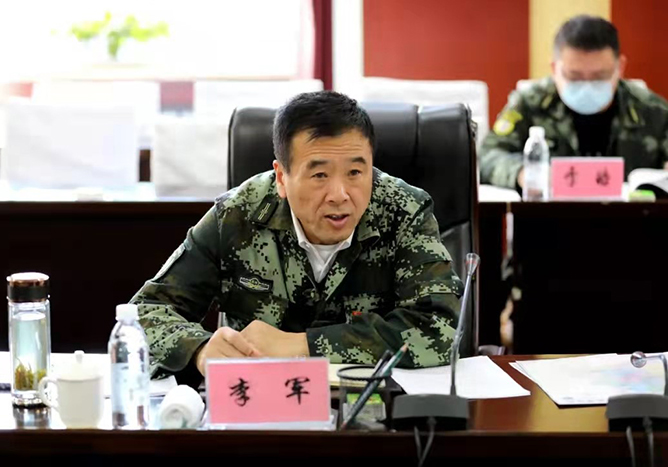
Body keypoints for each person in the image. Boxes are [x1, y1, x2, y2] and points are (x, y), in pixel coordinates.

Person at [131, 91, 463, 383]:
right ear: (281, 177)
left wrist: (301, 345)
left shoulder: (405, 211)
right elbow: (143, 314)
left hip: (375, 411)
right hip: (259, 408)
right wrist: (200, 349)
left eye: (355, 172)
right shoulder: (236, 215)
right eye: (319, 175)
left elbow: (442, 328)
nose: (340, 194)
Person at [480, 15, 668, 190]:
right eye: (574, 76)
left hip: (630, 214)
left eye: (599, 76)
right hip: (550, 212)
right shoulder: (530, 104)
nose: (587, 85)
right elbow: (487, 156)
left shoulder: (652, 111)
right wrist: (523, 173)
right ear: (554, 68)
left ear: (620, 68)